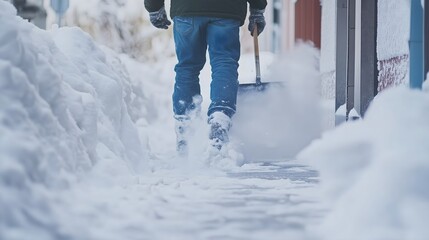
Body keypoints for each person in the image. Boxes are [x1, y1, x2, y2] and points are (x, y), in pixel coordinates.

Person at [144, 0, 267, 154]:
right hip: (226, 10)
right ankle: (219, 119)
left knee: (187, 68)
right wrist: (257, 8)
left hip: (187, 10)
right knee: (224, 63)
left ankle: (185, 124)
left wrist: (154, 7)